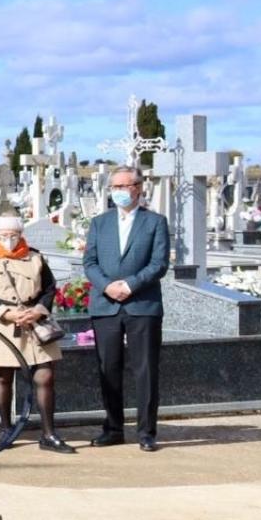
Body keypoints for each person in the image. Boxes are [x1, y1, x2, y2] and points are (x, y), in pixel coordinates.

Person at [82, 164, 171, 452]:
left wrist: (130, 285)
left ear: (139, 188)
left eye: (125, 186)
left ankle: (146, 432)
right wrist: (108, 286)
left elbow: (158, 264)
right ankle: (113, 428)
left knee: (145, 369)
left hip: (141, 304)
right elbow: (90, 263)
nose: (120, 191)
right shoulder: (100, 223)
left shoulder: (155, 222)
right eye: (115, 187)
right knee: (108, 368)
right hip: (105, 305)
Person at [0, 215, 75, 453]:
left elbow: (49, 288)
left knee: (45, 376)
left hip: (33, 323)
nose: (8, 239)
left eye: (13, 235)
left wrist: (38, 310)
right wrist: (5, 313)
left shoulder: (36, 258)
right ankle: (7, 429)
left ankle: (49, 433)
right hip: (4, 324)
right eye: (3, 235)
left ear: (21, 235)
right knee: (3, 377)